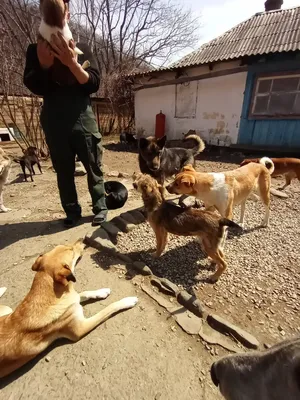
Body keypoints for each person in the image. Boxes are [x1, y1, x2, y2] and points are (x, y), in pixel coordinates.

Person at [23, 21, 107, 228]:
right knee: (63, 170)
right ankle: (71, 211)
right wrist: (44, 65)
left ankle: (100, 207)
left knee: (93, 165)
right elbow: (33, 84)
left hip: (82, 116)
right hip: (54, 119)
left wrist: (73, 64)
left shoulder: (82, 48)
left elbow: (94, 83)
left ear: (67, 13)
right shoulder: (36, 50)